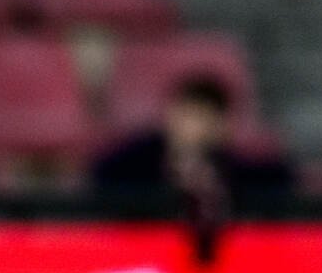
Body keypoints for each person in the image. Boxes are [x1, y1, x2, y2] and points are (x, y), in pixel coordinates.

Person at [91, 74, 293, 261]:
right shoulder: (131, 161)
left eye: (205, 118)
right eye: (188, 115)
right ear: (171, 114)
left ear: (222, 127)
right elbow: (101, 187)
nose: (194, 128)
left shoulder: (238, 169)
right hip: (141, 257)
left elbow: (280, 185)